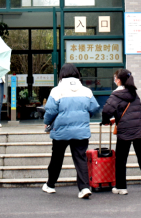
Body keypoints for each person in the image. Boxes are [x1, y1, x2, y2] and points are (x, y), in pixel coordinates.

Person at [42, 63, 101, 199]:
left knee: (57, 158)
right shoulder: (86, 91)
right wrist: (84, 116)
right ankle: (84, 188)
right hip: (81, 131)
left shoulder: (57, 90)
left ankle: (50, 185)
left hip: (61, 131)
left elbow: (50, 110)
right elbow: (94, 107)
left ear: (61, 75)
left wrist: (47, 123)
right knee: (80, 159)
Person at [101, 69, 141, 195]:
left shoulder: (116, 94)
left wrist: (105, 121)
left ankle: (121, 187)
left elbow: (106, 111)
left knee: (121, 159)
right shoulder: (134, 93)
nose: (114, 80)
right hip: (139, 128)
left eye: (115, 78)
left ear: (119, 80)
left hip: (125, 130)